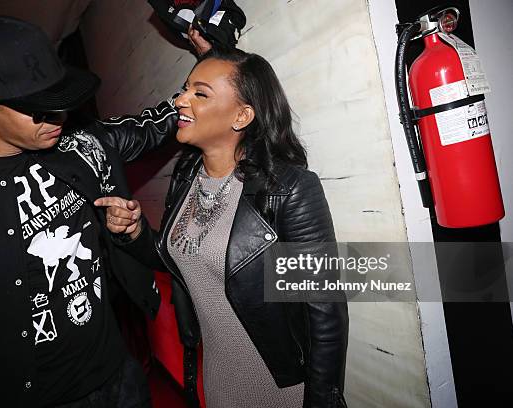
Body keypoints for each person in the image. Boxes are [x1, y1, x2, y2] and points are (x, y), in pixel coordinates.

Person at [0, 15, 183, 407]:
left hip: (117, 376)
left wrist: (209, 71)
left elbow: (150, 128)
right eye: (40, 109)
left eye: (61, 100)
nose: (60, 117)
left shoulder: (75, 143)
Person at [99, 47, 349, 408]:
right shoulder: (186, 176)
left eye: (200, 93)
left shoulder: (289, 189)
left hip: (280, 390)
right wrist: (134, 232)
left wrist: (322, 400)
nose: (180, 101)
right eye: (185, 89)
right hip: (216, 383)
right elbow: (179, 258)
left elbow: (325, 309)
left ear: (241, 116)